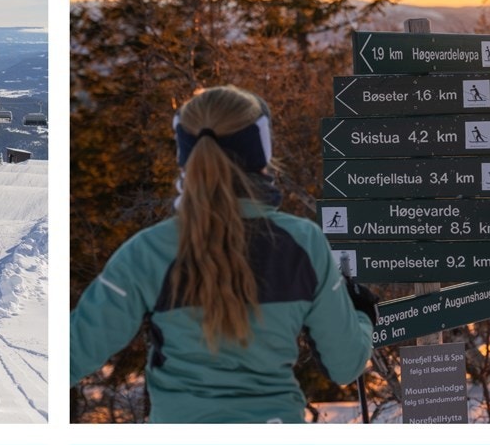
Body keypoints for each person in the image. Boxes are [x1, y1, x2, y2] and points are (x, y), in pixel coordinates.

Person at [70, 85, 377, 422]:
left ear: (184, 154)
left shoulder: (148, 251)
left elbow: (71, 354)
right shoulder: (303, 244)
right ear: (262, 150)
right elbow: (345, 364)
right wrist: (362, 315)